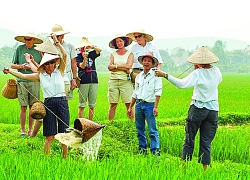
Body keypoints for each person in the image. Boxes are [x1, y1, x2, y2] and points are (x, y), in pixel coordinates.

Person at [155, 46, 222, 171]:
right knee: (206, 141)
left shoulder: (198, 73)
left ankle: (184, 167)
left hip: (198, 108)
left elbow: (181, 84)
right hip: (213, 110)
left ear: (198, 62)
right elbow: (217, 82)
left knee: (189, 137)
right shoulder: (217, 71)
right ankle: (205, 170)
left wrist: (165, 75)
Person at [4, 34, 70, 159]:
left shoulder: (59, 71)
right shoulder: (40, 75)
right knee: (49, 136)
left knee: (64, 136)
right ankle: (46, 159)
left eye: (52, 63)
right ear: (44, 65)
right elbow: (23, 76)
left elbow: (65, 55)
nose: (50, 65)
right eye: (48, 63)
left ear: (55, 63)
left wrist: (56, 42)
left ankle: (65, 158)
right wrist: (10, 71)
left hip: (62, 102)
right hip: (49, 104)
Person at [127, 52, 162, 156]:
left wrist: (156, 107)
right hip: (139, 104)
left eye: (149, 61)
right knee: (140, 129)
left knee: (152, 130)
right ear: (142, 62)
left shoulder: (156, 76)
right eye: (145, 60)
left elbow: (158, 92)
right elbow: (135, 92)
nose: (146, 62)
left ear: (152, 63)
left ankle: (155, 152)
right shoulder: (139, 76)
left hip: (150, 105)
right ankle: (142, 150)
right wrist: (130, 107)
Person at [11, 31, 43, 136]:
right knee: (23, 106)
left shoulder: (38, 50)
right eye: (25, 39)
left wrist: (32, 64)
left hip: (34, 80)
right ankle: (23, 131)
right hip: (22, 80)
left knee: (32, 106)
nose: (27, 41)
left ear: (33, 40)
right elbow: (13, 65)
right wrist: (22, 66)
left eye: (29, 39)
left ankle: (30, 130)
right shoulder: (19, 49)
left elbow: (42, 67)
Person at [30, 40, 61, 137]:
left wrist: (30, 62)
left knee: (53, 112)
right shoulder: (48, 60)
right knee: (49, 112)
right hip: (52, 89)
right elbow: (41, 70)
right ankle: (50, 133)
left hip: (58, 86)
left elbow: (39, 70)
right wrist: (32, 61)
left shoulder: (51, 60)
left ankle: (54, 133)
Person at [107, 34, 134, 121]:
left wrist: (115, 66)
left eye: (121, 41)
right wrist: (123, 67)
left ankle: (133, 123)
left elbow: (129, 66)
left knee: (129, 104)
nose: (119, 43)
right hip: (113, 80)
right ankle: (110, 123)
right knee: (113, 104)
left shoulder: (130, 54)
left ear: (124, 42)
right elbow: (109, 67)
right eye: (117, 42)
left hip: (125, 80)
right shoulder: (113, 54)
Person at [48, 24, 77, 99]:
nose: (55, 39)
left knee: (65, 100)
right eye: (53, 37)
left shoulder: (69, 46)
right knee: (55, 98)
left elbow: (73, 62)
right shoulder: (50, 47)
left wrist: (74, 78)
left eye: (57, 36)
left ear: (62, 36)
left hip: (67, 75)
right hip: (54, 75)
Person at [76, 37, 102, 120]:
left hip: (94, 80)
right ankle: (81, 124)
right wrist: (84, 58)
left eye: (87, 46)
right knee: (82, 105)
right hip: (83, 81)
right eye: (84, 46)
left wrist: (92, 46)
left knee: (92, 105)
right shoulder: (78, 56)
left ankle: (90, 123)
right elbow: (82, 66)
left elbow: (99, 50)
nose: (86, 48)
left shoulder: (92, 54)